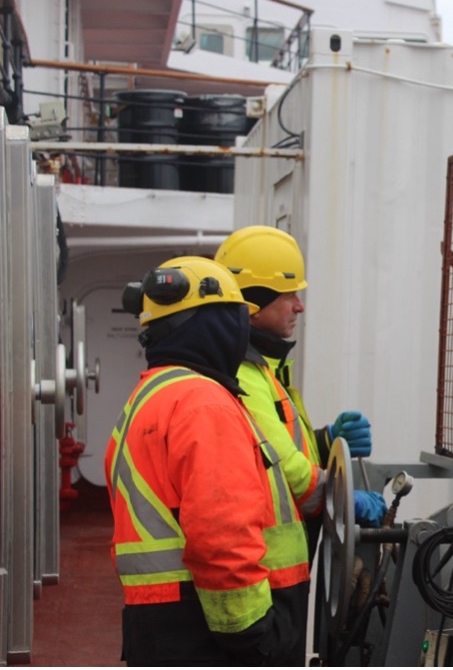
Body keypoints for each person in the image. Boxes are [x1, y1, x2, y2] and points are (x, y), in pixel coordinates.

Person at [105, 256, 310, 665]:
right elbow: (220, 535)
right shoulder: (203, 404)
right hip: (212, 637)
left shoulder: (151, 396)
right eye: (237, 318)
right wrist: (253, 635)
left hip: (166, 629)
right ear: (215, 324)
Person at [214, 225, 386, 560]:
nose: (299, 306)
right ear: (253, 303)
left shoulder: (264, 367)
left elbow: (272, 448)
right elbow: (286, 472)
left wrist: (327, 440)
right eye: (288, 294)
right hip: (264, 571)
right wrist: (345, 498)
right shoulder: (243, 377)